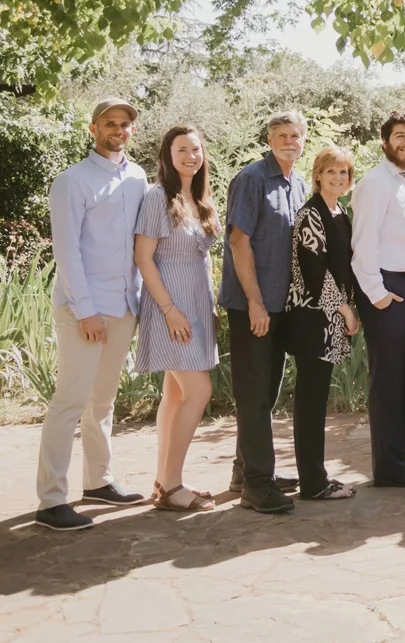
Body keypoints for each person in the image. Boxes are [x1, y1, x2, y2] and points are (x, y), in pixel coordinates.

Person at [35, 98, 150, 531]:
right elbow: (66, 251)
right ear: (93, 129)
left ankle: (99, 481)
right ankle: (50, 500)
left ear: (132, 131)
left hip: (122, 306)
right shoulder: (72, 181)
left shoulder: (137, 177)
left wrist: (137, 303)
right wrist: (86, 311)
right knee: (69, 401)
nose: (118, 130)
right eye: (110, 124)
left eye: (124, 124)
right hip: (84, 308)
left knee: (102, 401)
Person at [221, 110, 309, 513]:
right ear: (269, 139)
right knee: (254, 394)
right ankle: (257, 485)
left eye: (295, 135)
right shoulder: (253, 179)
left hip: (282, 306)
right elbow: (239, 243)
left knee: (266, 394)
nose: (290, 141)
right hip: (252, 306)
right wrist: (255, 302)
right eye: (282, 135)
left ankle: (246, 469)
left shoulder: (299, 182)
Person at [134, 125, 220, 512]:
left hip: (197, 308)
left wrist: (211, 306)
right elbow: (143, 258)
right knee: (199, 391)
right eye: (182, 148)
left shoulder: (199, 197)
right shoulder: (157, 198)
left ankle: (160, 481)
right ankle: (173, 485)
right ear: (168, 155)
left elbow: (202, 259)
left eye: (196, 149)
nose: (190, 155)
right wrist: (170, 311)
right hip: (171, 309)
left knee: (175, 393)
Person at [350, 110, 405, 488]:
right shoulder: (374, 183)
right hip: (387, 289)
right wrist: (377, 294)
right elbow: (363, 243)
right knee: (388, 380)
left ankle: (398, 456)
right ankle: (386, 466)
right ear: (385, 142)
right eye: (399, 136)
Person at [287, 145, 363, 501]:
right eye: (331, 171)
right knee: (310, 400)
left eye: (343, 173)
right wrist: (346, 309)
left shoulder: (340, 212)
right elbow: (314, 273)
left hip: (331, 318)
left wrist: (347, 307)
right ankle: (313, 483)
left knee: (315, 399)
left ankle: (315, 477)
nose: (338, 178)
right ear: (318, 175)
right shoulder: (311, 215)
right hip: (313, 317)